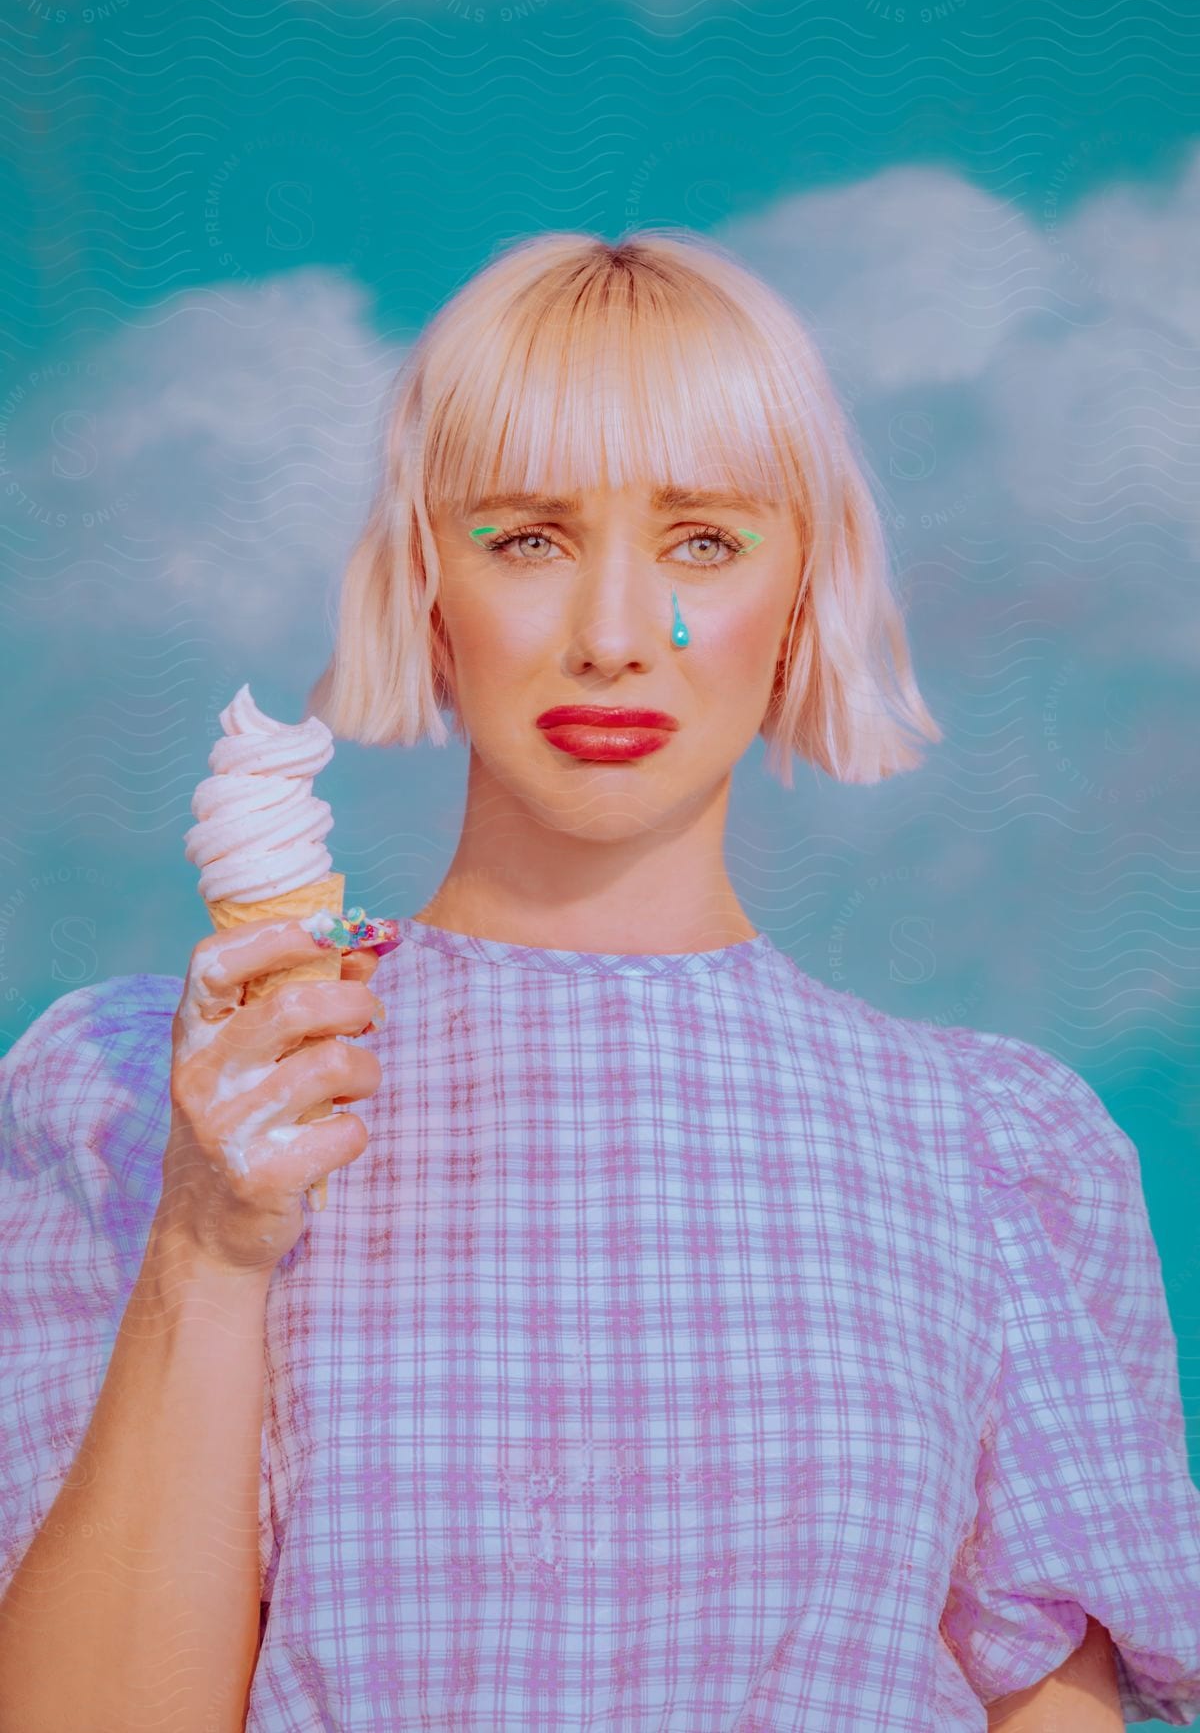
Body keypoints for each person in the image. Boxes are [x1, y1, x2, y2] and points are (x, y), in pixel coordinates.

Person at [1, 230, 1197, 1732]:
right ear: (427, 587)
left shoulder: (998, 1146)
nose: (618, 638)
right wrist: (208, 1246)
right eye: (528, 538)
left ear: (804, 588)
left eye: (703, 540)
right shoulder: (139, 1092)